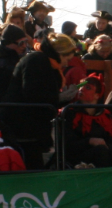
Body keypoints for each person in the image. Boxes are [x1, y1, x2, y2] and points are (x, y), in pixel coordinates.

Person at [6, 31, 71, 168]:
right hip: (23, 127)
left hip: (35, 127)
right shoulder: (36, 61)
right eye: (67, 58)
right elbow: (34, 94)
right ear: (59, 53)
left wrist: (63, 99)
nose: (67, 62)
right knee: (32, 168)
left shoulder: (49, 65)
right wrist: (60, 97)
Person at [60, 75, 112, 169]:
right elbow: (68, 145)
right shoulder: (69, 112)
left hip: (102, 154)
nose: (81, 89)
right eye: (80, 86)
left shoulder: (106, 116)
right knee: (101, 151)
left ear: (97, 95)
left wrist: (105, 145)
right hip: (77, 157)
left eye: (88, 88)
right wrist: (89, 141)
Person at [0, 25, 29, 102]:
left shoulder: (16, 57)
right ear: (8, 44)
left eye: (26, 42)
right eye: (21, 43)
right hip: (3, 105)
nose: (24, 46)